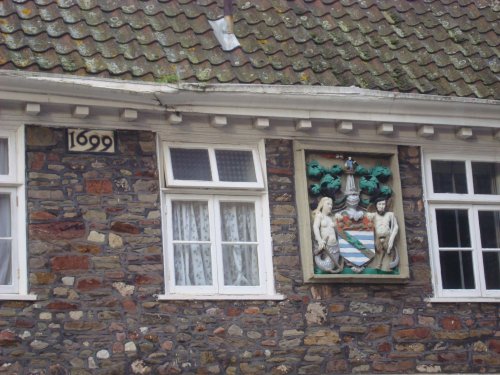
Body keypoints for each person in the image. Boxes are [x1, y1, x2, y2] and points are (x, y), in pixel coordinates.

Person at [366, 198, 399, 271]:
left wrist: (392, 238)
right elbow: (367, 220)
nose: (381, 206)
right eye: (379, 204)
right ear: (376, 206)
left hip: (387, 236)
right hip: (377, 237)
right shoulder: (373, 215)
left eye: (383, 204)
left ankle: (388, 266)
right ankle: (378, 264)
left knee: (389, 250)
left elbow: (396, 226)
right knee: (379, 250)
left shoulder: (390, 214)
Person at [312, 197, 342, 272]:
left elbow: (336, 229)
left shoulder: (330, 218)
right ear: (322, 205)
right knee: (328, 265)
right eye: (328, 204)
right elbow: (315, 227)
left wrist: (338, 219)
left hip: (334, 246)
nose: (330, 206)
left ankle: (333, 268)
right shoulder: (319, 216)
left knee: (332, 265)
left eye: (331, 204)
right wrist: (319, 241)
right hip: (326, 245)